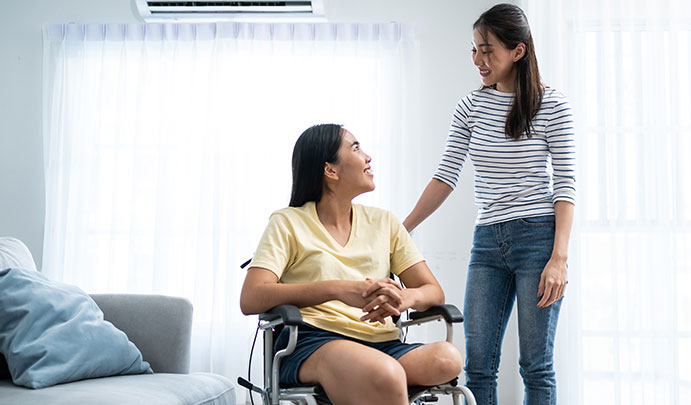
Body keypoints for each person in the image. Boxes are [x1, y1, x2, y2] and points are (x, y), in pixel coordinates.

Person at [402, 4, 576, 405]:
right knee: (478, 364)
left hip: (539, 238)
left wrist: (559, 259)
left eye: (488, 50)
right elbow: (446, 175)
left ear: (518, 51)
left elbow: (565, 186)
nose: (479, 60)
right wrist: (403, 227)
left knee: (536, 365)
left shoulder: (552, 105)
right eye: (474, 49)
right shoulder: (470, 106)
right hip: (487, 242)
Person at [240, 124, 463, 405]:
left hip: (383, 343)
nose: (368, 157)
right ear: (330, 171)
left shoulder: (386, 223)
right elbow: (251, 297)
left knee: (447, 359)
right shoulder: (287, 222)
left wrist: (404, 298)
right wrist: (338, 289)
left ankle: (365, 382)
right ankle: (372, 380)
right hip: (313, 342)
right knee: (387, 374)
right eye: (356, 148)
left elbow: (432, 290)